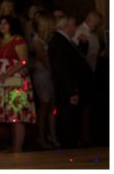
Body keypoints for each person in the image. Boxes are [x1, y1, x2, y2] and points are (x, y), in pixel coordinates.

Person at [0, 16, 36, 153]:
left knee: (17, 115)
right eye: (0, 23)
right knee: (9, 116)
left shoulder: (18, 40)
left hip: (15, 82)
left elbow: (23, 61)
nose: (2, 25)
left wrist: (5, 74)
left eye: (5, 23)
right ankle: (13, 146)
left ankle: (17, 149)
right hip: (1, 84)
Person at [49, 16, 93, 148]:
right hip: (66, 88)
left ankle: (72, 144)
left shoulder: (65, 40)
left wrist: (84, 45)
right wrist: (71, 90)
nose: (75, 29)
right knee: (68, 118)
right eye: (73, 25)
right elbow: (63, 69)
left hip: (71, 86)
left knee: (73, 117)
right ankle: (69, 147)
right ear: (66, 26)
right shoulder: (59, 41)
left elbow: (76, 61)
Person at [30, 14, 59, 149]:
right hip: (43, 74)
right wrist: (55, 73)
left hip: (50, 74)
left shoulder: (51, 39)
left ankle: (52, 135)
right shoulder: (37, 41)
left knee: (53, 106)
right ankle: (41, 135)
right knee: (44, 104)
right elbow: (43, 59)